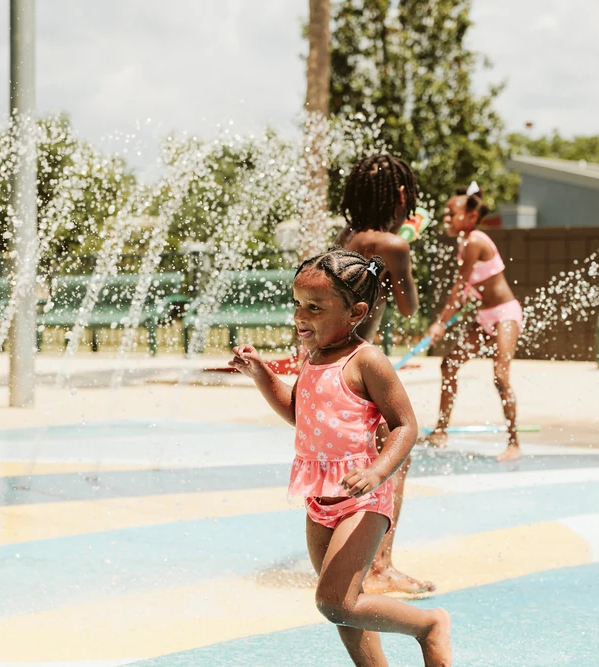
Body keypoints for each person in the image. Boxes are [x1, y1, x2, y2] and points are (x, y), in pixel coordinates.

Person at [230, 248, 451, 667]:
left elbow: (406, 425)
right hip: (319, 495)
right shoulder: (311, 356)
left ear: (356, 312)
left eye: (315, 307)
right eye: (296, 303)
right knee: (345, 608)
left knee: (334, 601)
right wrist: (261, 374)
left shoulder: (365, 360)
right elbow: (299, 413)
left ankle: (428, 626)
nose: (300, 315)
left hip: (363, 499)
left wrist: (377, 471)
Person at [333, 154, 433, 598]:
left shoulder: (344, 238)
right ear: (400, 196)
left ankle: (348, 557)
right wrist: (405, 242)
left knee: (354, 459)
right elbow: (409, 308)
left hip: (328, 364)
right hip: (360, 362)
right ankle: (379, 566)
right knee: (396, 449)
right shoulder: (392, 245)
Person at [425, 183, 524, 462]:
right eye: (445, 213)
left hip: (505, 314)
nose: (446, 218)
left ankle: (514, 443)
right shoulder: (465, 243)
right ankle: (440, 431)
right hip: (484, 318)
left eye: (450, 214)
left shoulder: (474, 242)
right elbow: (469, 288)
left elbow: (458, 287)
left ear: (469, 218)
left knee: (500, 376)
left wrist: (440, 323)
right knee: (449, 364)